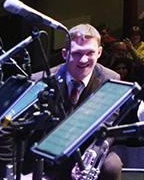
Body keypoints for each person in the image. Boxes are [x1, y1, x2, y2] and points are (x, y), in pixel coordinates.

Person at [37, 24, 123, 180]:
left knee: (112, 166)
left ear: (99, 52)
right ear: (65, 53)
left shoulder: (111, 79)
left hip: (89, 148)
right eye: (77, 53)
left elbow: (110, 124)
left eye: (90, 53)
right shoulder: (41, 81)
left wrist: (92, 155)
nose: (83, 60)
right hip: (51, 152)